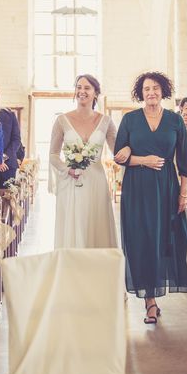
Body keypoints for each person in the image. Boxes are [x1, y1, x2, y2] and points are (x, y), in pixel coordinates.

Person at [114, 72, 187, 325]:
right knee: (142, 239)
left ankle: (158, 292)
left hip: (167, 186)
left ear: (163, 91)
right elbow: (119, 156)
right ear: (140, 93)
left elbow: (184, 160)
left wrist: (184, 192)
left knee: (164, 238)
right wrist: (141, 160)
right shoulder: (130, 120)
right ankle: (150, 302)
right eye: (146, 89)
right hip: (137, 188)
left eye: (156, 88)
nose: (151, 93)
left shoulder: (175, 120)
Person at [49, 75, 123, 249]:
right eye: (79, 87)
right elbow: (53, 154)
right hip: (70, 181)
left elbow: (118, 152)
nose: (82, 91)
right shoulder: (61, 120)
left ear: (96, 93)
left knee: (96, 223)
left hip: (96, 180)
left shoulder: (106, 121)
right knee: (74, 225)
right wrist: (68, 169)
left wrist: (130, 150)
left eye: (87, 88)